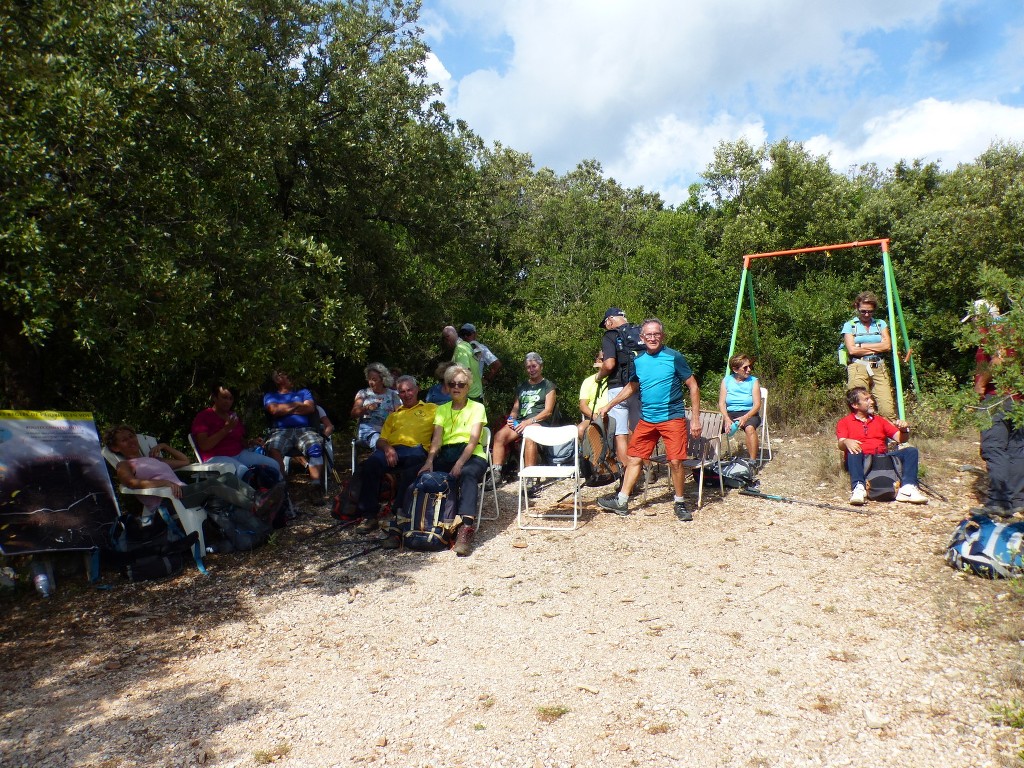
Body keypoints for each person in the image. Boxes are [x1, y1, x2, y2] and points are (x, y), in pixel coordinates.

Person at [597, 318, 702, 521]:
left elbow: (693, 385)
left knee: (675, 461)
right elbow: (632, 386)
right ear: (642, 338)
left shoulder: (674, 357)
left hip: (672, 417)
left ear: (662, 336)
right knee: (635, 458)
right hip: (647, 419)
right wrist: (609, 405)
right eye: (649, 335)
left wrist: (695, 419)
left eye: (656, 334)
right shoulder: (639, 360)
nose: (652, 338)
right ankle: (622, 501)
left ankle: (680, 503)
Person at [104, 424, 281, 517]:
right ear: (115, 447)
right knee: (212, 485)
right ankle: (255, 508)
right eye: (124, 440)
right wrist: (164, 482)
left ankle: (258, 498)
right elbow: (130, 483)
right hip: (168, 501)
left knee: (227, 477)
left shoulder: (152, 460)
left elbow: (184, 461)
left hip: (183, 493)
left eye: (131, 436)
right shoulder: (124, 465)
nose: (131, 441)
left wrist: (165, 445)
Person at [413, 364, 488, 556]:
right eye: (452, 383)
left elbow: (473, 441)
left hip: (471, 454)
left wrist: (460, 463)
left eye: (461, 384)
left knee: (468, 473)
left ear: (468, 386)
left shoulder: (477, 407)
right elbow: (436, 439)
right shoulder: (442, 410)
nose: (456, 387)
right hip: (446, 453)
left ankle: (466, 528)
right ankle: (419, 522)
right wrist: (429, 461)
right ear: (446, 386)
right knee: (423, 475)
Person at [353, 376, 437, 533]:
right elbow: (381, 440)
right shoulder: (394, 415)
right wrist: (387, 448)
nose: (406, 394)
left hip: (416, 449)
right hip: (392, 449)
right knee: (370, 464)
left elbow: (441, 431)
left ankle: (399, 511)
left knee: (414, 464)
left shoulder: (432, 409)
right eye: (402, 392)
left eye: (409, 390)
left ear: (417, 389)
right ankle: (369, 515)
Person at [963, 300, 1024, 517]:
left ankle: (999, 501)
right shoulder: (1015, 329)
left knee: (994, 448)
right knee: (1017, 449)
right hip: (1018, 399)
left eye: (975, 318)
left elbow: (999, 360)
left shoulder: (993, 332)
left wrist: (981, 384)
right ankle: (1017, 501)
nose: (974, 324)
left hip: (996, 398)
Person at [835, 387, 928, 506]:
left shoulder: (880, 421)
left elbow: (900, 438)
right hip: (861, 458)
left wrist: (904, 430)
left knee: (911, 451)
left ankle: (908, 487)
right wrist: (847, 441)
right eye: (866, 399)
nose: (872, 402)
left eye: (870, 398)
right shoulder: (844, 422)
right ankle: (858, 487)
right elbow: (841, 444)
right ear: (855, 405)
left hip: (881, 457)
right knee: (853, 449)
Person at [190, 383, 283, 479]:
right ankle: (255, 493)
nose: (228, 402)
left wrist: (250, 442)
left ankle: (279, 491)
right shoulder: (203, 416)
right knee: (244, 472)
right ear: (214, 398)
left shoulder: (233, 416)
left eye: (231, 399)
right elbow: (204, 445)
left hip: (238, 454)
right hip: (215, 458)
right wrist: (226, 429)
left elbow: (240, 440)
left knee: (274, 464)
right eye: (224, 397)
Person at [490, 353, 557, 481]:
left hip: (539, 421)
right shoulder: (522, 386)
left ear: (541, 366)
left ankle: (529, 477)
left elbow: (548, 411)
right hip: (521, 422)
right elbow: (516, 407)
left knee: (529, 435)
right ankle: (496, 474)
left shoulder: (548, 385)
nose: (531, 370)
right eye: (528, 367)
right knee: (500, 436)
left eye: (534, 366)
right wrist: (511, 418)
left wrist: (529, 422)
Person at [595, 307, 643, 468]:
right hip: (639, 387)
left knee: (620, 434)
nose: (606, 326)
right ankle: (647, 470)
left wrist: (599, 376)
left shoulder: (610, 335)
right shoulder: (640, 332)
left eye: (606, 323)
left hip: (617, 388)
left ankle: (627, 475)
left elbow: (609, 364)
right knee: (639, 431)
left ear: (609, 320)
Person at [263, 370, 325, 492]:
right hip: (280, 431)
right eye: (287, 374)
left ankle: (316, 487)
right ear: (277, 379)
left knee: (315, 448)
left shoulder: (304, 392)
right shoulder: (270, 396)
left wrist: (284, 409)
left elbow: (310, 408)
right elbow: (274, 411)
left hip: (304, 430)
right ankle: (282, 486)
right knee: (273, 449)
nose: (292, 377)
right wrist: (297, 405)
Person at [842, 291, 896, 419]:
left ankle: (889, 436)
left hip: (878, 366)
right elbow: (852, 350)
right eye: (863, 311)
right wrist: (877, 347)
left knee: (886, 407)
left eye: (870, 311)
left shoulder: (880, 324)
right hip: (858, 366)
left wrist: (861, 346)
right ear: (857, 307)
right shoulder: (850, 326)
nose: (866, 314)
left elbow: (887, 346)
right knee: (858, 405)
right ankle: (860, 435)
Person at [718, 354, 762, 463]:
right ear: (735, 369)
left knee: (749, 428)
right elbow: (722, 403)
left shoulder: (753, 381)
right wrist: (726, 418)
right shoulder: (727, 381)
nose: (749, 370)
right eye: (745, 367)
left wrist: (746, 417)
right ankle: (708, 459)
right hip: (730, 413)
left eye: (750, 366)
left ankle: (752, 461)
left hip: (749, 412)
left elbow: (757, 404)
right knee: (713, 427)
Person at [351, 363, 400, 449]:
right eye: (369, 379)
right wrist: (367, 408)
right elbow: (353, 413)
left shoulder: (393, 394)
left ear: (382, 379)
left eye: (374, 379)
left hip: (388, 431)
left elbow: (400, 414)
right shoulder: (363, 393)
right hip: (369, 431)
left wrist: (393, 415)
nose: (371, 382)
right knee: (380, 442)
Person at [442, 325, 482, 402]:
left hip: (469, 396)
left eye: (444, 339)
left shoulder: (460, 349)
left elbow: (464, 373)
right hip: (476, 392)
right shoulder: (466, 345)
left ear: (447, 338)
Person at [459, 323, 502, 392]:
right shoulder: (458, 348)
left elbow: (497, 364)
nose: (465, 336)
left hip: (475, 391)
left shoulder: (482, 348)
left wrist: (486, 379)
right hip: (459, 389)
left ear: (475, 334)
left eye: (468, 333)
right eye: (463, 334)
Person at [578, 350, 609, 440]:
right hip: (593, 417)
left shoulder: (616, 380)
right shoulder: (588, 381)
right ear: (597, 361)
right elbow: (583, 405)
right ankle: (592, 453)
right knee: (581, 429)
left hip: (612, 417)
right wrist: (595, 417)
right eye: (602, 359)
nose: (605, 362)